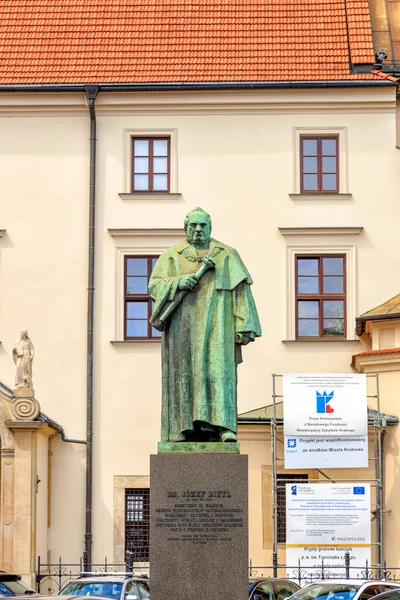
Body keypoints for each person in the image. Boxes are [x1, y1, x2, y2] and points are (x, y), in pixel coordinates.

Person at [149, 207, 261, 443]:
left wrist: (243, 324)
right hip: (183, 329)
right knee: (185, 376)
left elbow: (241, 292)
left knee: (219, 374)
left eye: (202, 225)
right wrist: (179, 282)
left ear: (210, 227)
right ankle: (182, 428)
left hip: (219, 326)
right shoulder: (172, 256)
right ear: (185, 228)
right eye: (193, 225)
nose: (198, 230)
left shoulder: (227, 255)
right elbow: (154, 286)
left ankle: (224, 427)